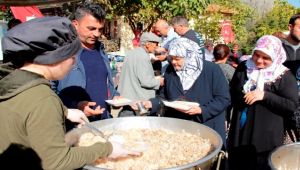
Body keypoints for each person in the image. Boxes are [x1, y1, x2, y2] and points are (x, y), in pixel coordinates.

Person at [0, 16, 138, 170]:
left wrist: (65, 111)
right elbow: (57, 162)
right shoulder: (43, 98)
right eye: (72, 57)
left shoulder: (16, 83)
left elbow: (25, 113)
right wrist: (108, 149)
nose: (74, 62)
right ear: (55, 58)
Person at [136, 38, 230, 145]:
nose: (173, 62)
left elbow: (223, 98)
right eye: (171, 58)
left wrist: (202, 110)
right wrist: (151, 103)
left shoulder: (212, 70)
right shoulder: (170, 71)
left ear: (190, 56)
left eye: (178, 58)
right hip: (180, 130)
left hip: (207, 129)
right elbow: (164, 97)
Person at [228, 35, 298, 170]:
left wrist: (265, 95)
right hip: (240, 129)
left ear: (275, 57)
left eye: (266, 58)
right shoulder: (244, 67)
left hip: (265, 134)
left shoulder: (283, 76)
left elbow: (291, 106)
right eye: (256, 55)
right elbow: (233, 90)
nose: (259, 61)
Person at [53, 3, 120, 125]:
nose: (97, 34)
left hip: (104, 121)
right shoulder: (62, 53)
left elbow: (103, 83)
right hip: (74, 126)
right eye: (91, 28)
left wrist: (115, 96)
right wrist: (75, 105)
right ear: (75, 25)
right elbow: (49, 92)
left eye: (100, 29)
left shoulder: (102, 52)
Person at [117, 32, 164, 117]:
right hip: (138, 103)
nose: (157, 47)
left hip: (129, 100)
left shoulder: (131, 53)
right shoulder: (143, 56)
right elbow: (146, 81)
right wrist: (159, 81)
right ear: (147, 44)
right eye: (156, 44)